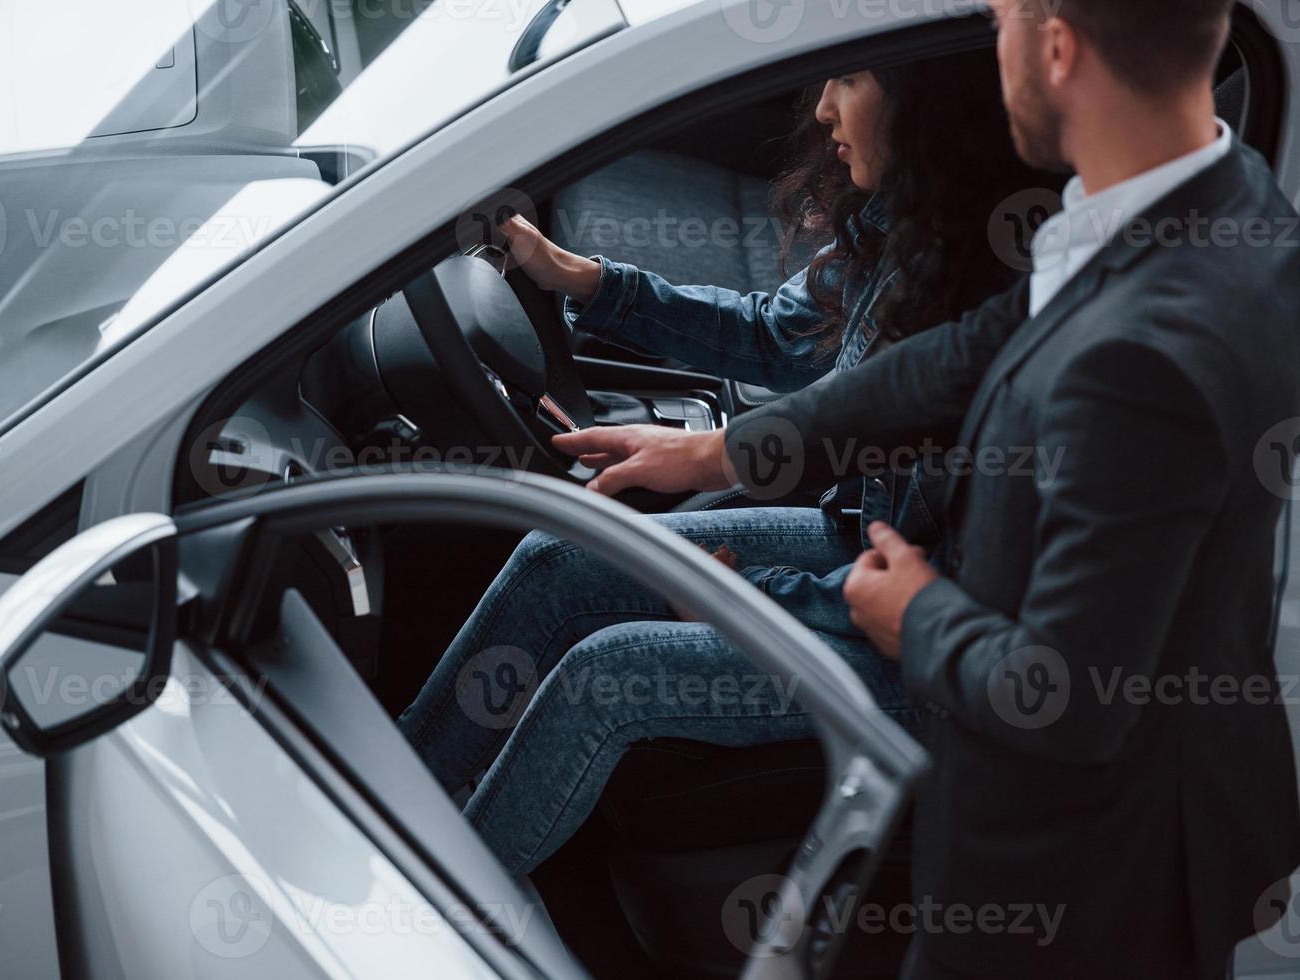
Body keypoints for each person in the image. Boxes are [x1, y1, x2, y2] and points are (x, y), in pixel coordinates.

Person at [555, 1, 1300, 977]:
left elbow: (1068, 697)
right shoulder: (1210, 193)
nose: (983, 51)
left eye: (996, 21)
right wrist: (722, 452)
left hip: (1079, 877)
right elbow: (959, 358)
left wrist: (914, 612)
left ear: (1055, 46)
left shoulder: (1145, 357)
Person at [397, 48, 1050, 878]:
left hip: (929, 656)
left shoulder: (1003, 311)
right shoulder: (910, 223)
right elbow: (774, 334)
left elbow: (941, 593)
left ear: (933, 105)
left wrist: (744, 591)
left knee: (609, 676)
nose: (819, 111)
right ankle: (404, 791)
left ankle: (430, 906)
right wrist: (576, 278)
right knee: (557, 558)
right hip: (865, 541)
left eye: (848, 81)